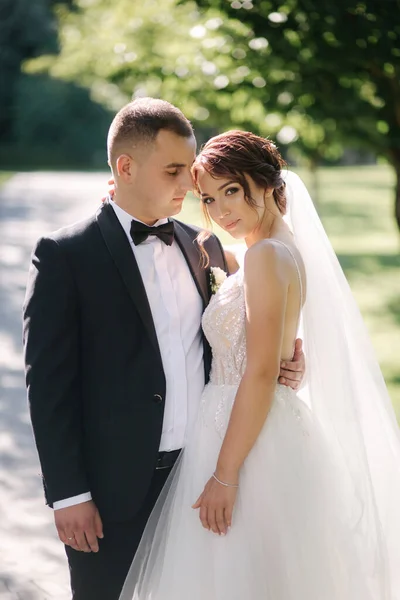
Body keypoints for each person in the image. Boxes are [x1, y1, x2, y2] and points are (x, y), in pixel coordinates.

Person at [22, 99, 304, 600]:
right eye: (175, 170)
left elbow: (241, 340)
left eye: (189, 171)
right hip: (111, 493)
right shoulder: (66, 255)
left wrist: (288, 362)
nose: (189, 185)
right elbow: (48, 388)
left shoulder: (208, 247)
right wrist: (70, 494)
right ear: (124, 168)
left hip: (197, 475)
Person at [119, 130, 400, 600]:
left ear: (267, 183)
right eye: (209, 198)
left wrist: (225, 475)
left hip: (247, 443)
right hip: (246, 424)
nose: (222, 209)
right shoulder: (264, 249)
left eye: (232, 190)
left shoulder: (266, 256)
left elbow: (262, 372)